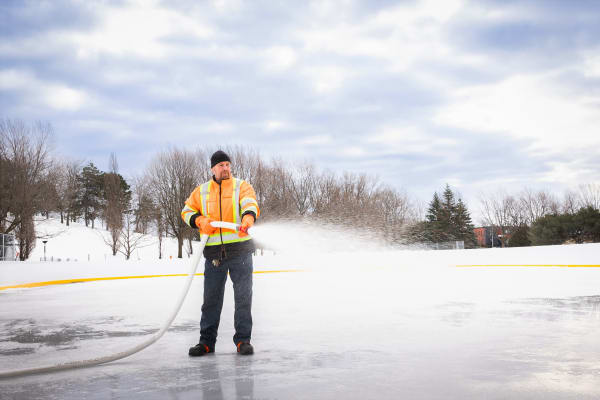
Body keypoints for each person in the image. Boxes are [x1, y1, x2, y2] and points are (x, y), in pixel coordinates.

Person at [181, 150, 260, 356]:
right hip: (214, 255)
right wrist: (200, 220)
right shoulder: (202, 191)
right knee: (211, 300)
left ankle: (243, 341)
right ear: (213, 169)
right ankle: (206, 342)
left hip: (241, 252)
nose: (226, 168)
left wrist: (248, 218)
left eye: (228, 165)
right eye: (221, 165)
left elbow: (249, 203)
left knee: (243, 298)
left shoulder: (241, 186)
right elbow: (187, 211)